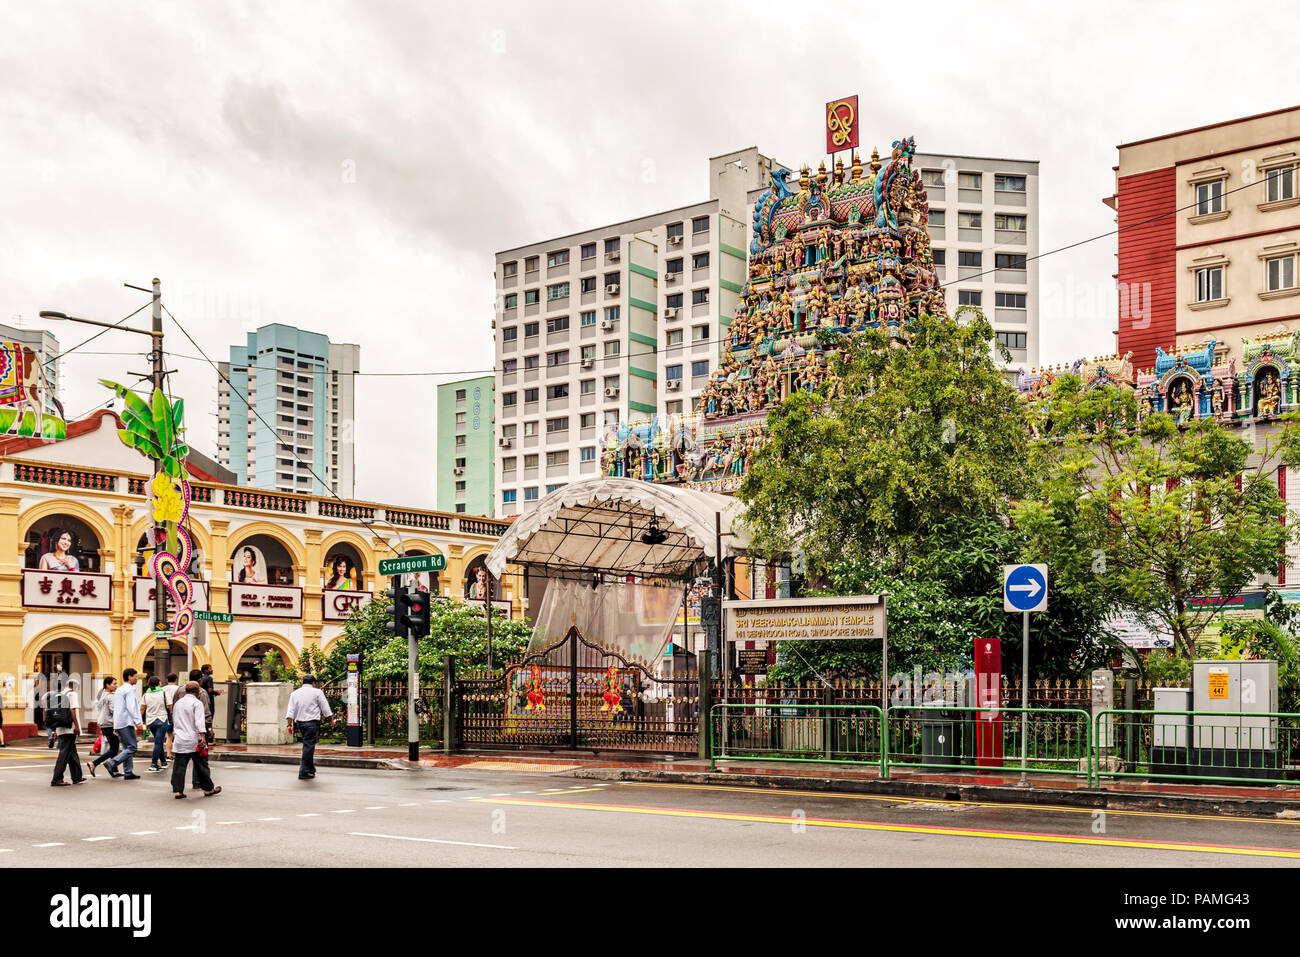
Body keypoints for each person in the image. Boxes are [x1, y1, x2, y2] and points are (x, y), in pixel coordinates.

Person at [171, 680, 220, 799]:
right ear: (197, 691)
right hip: (194, 739)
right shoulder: (197, 703)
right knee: (202, 765)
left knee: (179, 766)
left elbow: (174, 719)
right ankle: (208, 789)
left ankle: (178, 791)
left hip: (180, 739)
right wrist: (203, 737)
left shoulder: (178, 703)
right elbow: (199, 722)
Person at [286, 674, 332, 780]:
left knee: (308, 745)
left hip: (300, 724)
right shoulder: (317, 692)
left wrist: (289, 725)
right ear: (313, 683)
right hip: (312, 723)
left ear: (303, 682)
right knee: (308, 747)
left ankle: (311, 769)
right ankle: (303, 771)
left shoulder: (295, 693)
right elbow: (325, 708)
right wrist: (331, 720)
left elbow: (290, 711)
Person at [104, 668, 144, 780]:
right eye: (135, 676)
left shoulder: (119, 690)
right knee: (132, 747)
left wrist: (115, 725)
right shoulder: (129, 690)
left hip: (119, 722)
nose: (137, 678)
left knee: (126, 747)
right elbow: (131, 707)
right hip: (126, 722)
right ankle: (112, 762)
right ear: (130, 677)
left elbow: (118, 708)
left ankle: (128, 771)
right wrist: (138, 722)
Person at [49, 679, 83, 786]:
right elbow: (72, 710)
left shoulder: (57, 695)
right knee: (64, 754)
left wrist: (54, 730)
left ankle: (77, 776)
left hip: (60, 728)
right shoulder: (72, 694)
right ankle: (57, 779)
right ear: (74, 686)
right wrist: (76, 726)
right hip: (69, 728)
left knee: (72, 752)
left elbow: (54, 714)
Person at [88, 677, 119, 776]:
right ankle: (94, 763)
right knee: (114, 749)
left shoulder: (101, 695)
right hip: (110, 724)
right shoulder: (110, 696)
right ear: (107, 685)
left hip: (103, 723)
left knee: (113, 747)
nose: (116, 686)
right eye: (114, 684)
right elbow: (114, 711)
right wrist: (117, 726)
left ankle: (114, 769)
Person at [142, 676, 169, 772]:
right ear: (159, 683)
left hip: (150, 721)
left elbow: (142, 708)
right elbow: (170, 706)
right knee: (158, 742)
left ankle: (163, 761)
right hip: (162, 720)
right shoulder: (163, 693)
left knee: (159, 741)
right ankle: (153, 764)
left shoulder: (146, 695)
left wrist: (140, 721)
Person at [162, 672, 180, 760]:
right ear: (176, 680)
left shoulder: (162, 689)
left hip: (166, 713)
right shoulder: (179, 689)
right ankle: (178, 753)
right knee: (179, 734)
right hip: (177, 712)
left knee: (169, 735)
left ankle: (168, 754)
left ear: (167, 680)